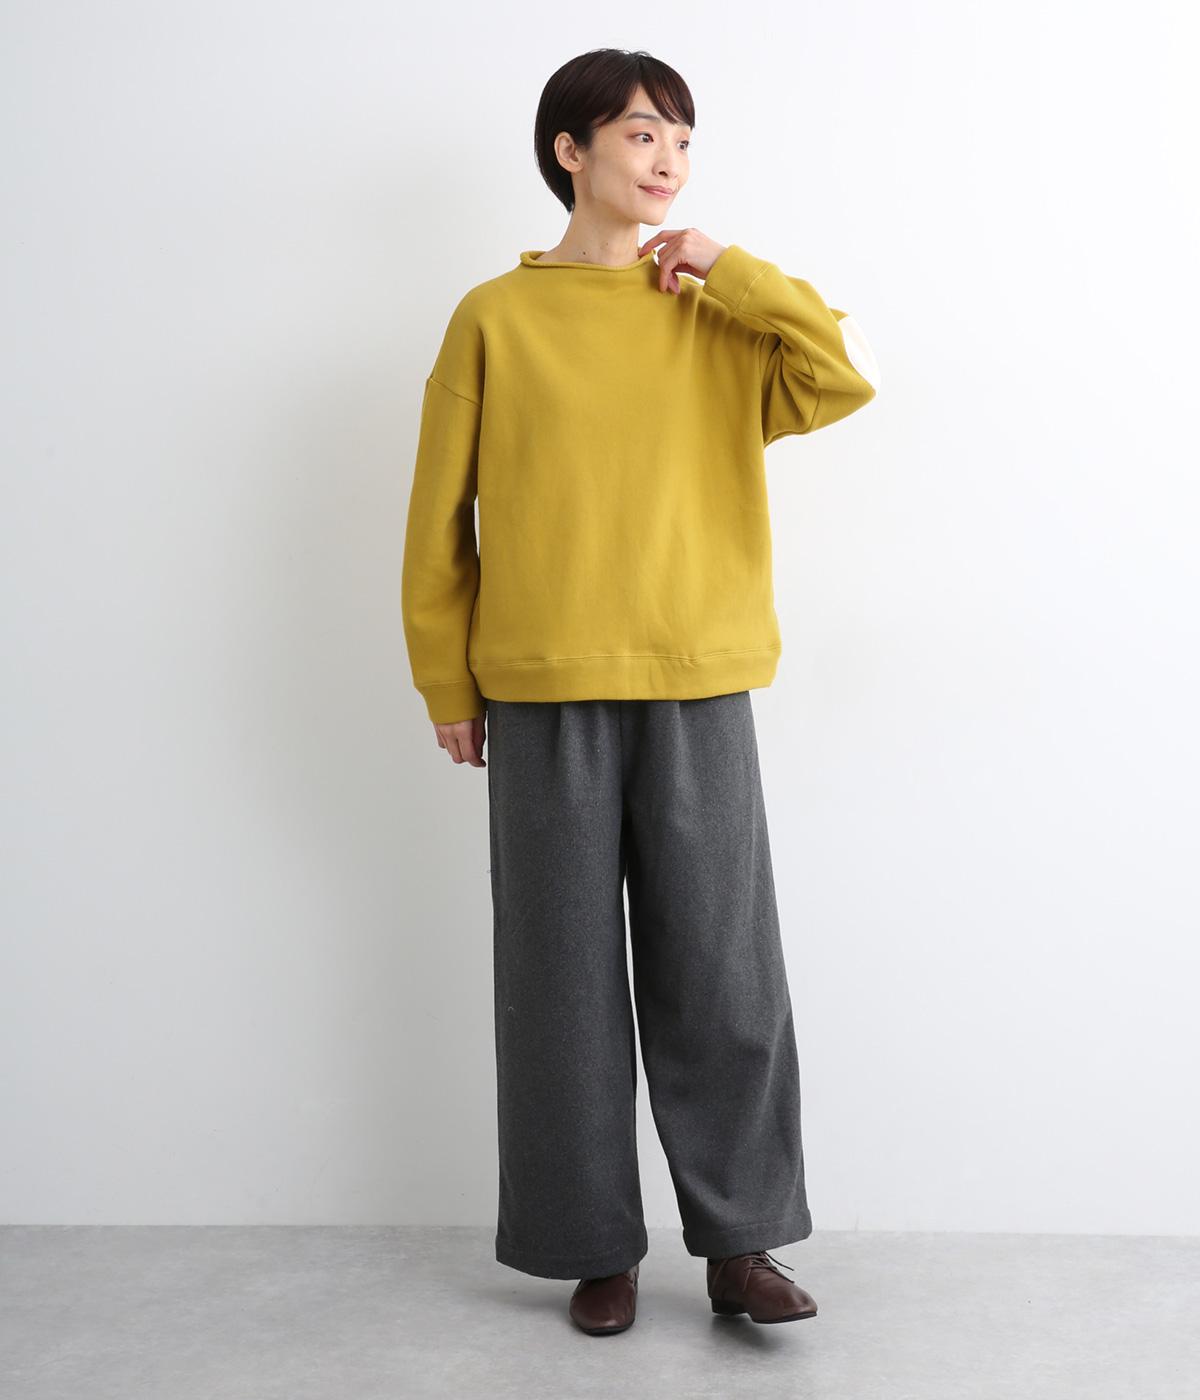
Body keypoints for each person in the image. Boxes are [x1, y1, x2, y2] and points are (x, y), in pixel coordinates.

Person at [400, 47, 879, 1337]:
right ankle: (590, 1247)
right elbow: (438, 517)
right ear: (571, 151)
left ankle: (740, 1243)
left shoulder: (717, 315)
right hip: (542, 689)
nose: (667, 161)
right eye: (640, 135)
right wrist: (446, 678)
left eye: (681, 139)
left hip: (697, 680)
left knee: (723, 974)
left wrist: (730, 266)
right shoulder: (494, 318)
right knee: (558, 988)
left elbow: (842, 373)